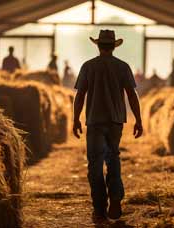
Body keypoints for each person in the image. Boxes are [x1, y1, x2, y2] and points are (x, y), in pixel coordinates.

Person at [73, 30, 143, 222]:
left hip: (95, 121)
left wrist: (75, 119)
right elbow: (131, 95)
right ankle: (115, 197)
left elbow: (80, 95)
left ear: (98, 45)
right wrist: (138, 119)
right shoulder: (122, 67)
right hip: (115, 121)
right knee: (113, 158)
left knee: (94, 164)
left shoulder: (88, 66)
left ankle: (99, 208)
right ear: (113, 46)